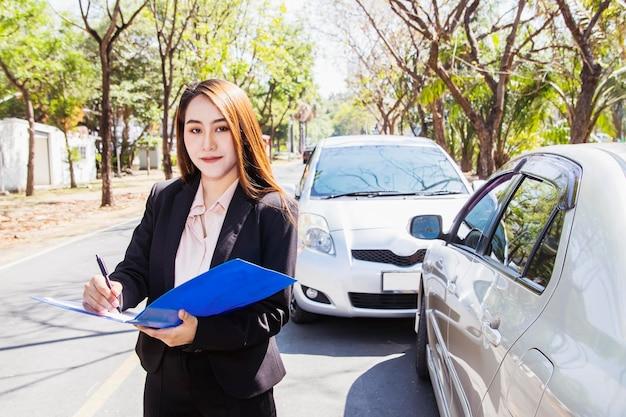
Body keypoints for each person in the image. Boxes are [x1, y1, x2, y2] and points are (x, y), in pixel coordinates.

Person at [82, 79, 297, 417]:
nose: (207, 143)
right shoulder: (163, 198)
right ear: (182, 135)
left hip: (237, 388)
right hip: (165, 381)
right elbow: (135, 270)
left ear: (242, 131)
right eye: (194, 129)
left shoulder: (273, 210)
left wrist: (201, 332)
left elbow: (274, 311)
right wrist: (115, 292)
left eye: (221, 128)